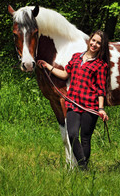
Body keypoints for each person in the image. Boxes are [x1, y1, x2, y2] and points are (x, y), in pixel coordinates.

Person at [37, 30, 110, 170]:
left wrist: (101, 108)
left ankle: (82, 170)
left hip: (90, 106)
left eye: (98, 43)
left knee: (85, 139)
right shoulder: (76, 57)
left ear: (102, 46)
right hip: (73, 103)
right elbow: (65, 74)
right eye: (93, 40)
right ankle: (84, 168)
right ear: (89, 41)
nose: (94, 44)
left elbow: (101, 89)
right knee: (72, 134)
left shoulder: (101, 65)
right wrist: (48, 66)